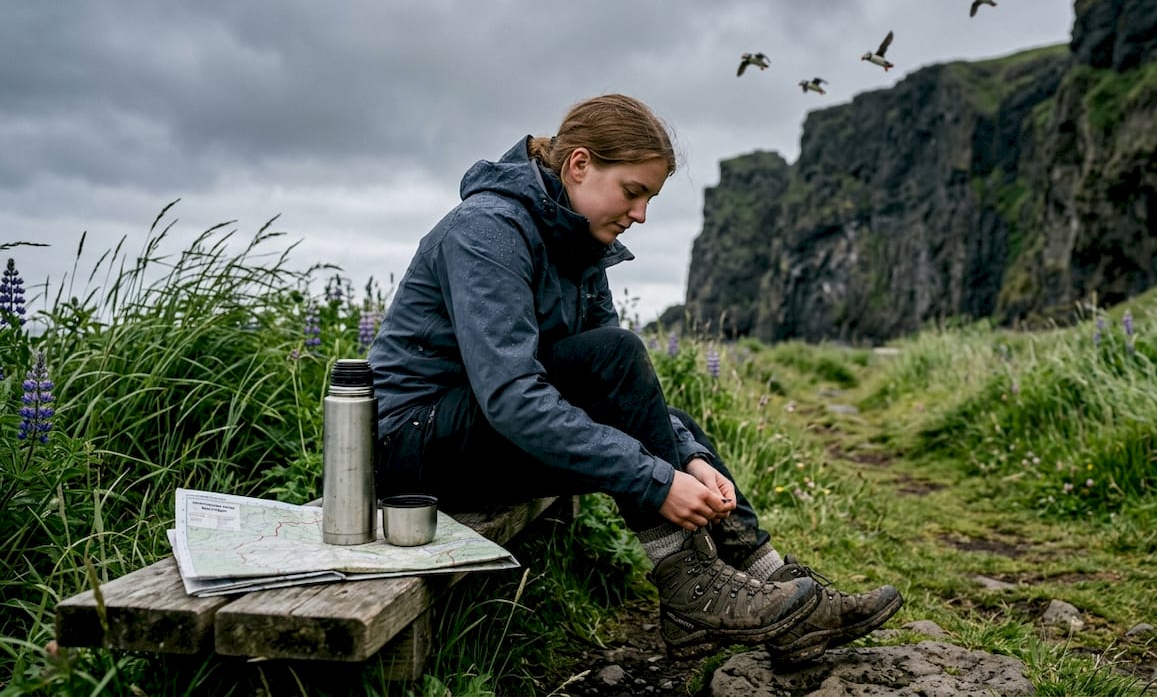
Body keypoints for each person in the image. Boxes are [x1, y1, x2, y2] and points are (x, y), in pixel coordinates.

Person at [366, 93, 902, 663]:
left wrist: (687, 457)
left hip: (470, 432)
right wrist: (658, 481)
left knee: (673, 419)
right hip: (411, 446)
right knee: (620, 356)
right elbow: (514, 398)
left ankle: (776, 586)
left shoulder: (579, 244)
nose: (640, 214)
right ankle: (687, 583)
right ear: (579, 165)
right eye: (633, 191)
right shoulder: (487, 231)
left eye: (648, 198)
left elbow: (616, 395)